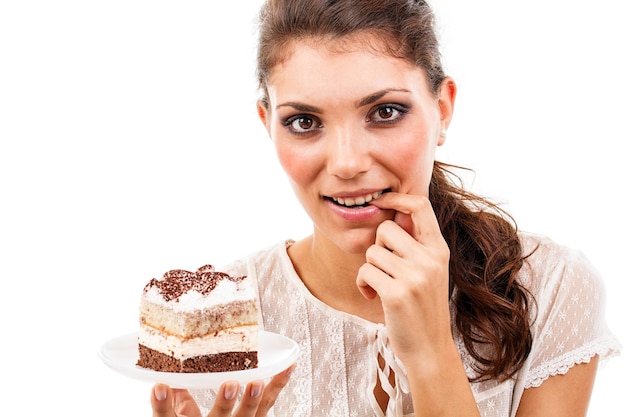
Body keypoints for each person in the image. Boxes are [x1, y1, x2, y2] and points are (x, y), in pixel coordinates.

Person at [150, 0, 621, 416]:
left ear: (443, 108)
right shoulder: (221, 318)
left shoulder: (550, 286)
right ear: (266, 123)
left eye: (385, 112)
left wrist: (431, 351)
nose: (348, 163)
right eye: (304, 121)